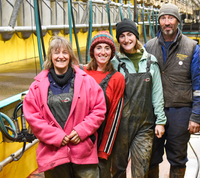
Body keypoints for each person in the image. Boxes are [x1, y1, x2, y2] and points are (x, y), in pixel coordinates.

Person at [23, 36, 106, 178]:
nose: (61, 56)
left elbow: (99, 109)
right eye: (56, 52)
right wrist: (56, 136)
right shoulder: (37, 87)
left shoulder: (87, 82)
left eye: (65, 52)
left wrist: (81, 131)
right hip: (54, 154)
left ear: (70, 56)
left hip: (83, 151)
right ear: (50, 56)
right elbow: (33, 118)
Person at [145, 3, 200, 178]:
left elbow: (199, 85)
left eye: (170, 18)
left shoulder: (192, 48)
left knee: (178, 159)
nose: (167, 22)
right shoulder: (148, 47)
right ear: (159, 21)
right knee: (151, 156)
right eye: (163, 18)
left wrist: (196, 116)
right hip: (153, 112)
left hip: (180, 111)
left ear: (177, 21)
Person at [110, 18, 166, 178]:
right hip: (120, 126)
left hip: (145, 126)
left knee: (141, 170)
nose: (126, 39)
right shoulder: (114, 63)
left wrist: (160, 121)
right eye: (122, 36)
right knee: (118, 169)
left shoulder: (150, 61)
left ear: (136, 35)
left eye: (129, 34)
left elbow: (157, 94)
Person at [82, 31, 125, 178]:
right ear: (92, 51)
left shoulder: (117, 78)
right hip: (79, 140)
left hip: (100, 141)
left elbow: (114, 115)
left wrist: (104, 149)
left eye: (107, 48)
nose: (103, 52)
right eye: (98, 47)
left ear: (112, 53)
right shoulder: (81, 73)